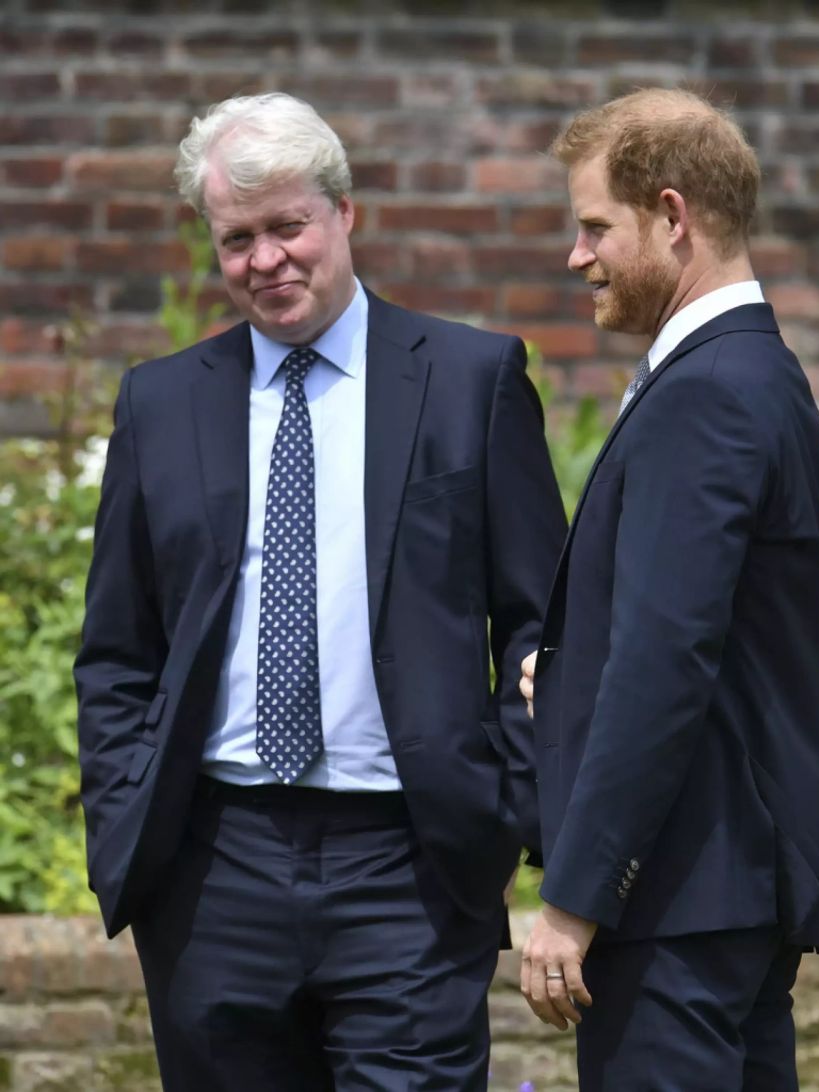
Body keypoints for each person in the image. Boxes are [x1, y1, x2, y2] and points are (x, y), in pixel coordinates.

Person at [74, 92, 566, 1092]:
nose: (266, 261)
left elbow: (542, 621)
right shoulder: (161, 403)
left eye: (287, 226)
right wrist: (129, 819)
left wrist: (505, 801)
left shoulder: (470, 381)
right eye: (238, 239)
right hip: (214, 873)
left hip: (410, 867)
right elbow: (118, 649)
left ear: (345, 214)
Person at [518, 88, 819, 1090]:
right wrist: (562, 678)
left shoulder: (704, 392)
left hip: (677, 908)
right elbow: (718, 632)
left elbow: (667, 663)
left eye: (594, 226)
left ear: (671, 215)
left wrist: (575, 898)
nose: (578, 256)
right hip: (725, 897)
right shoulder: (757, 375)